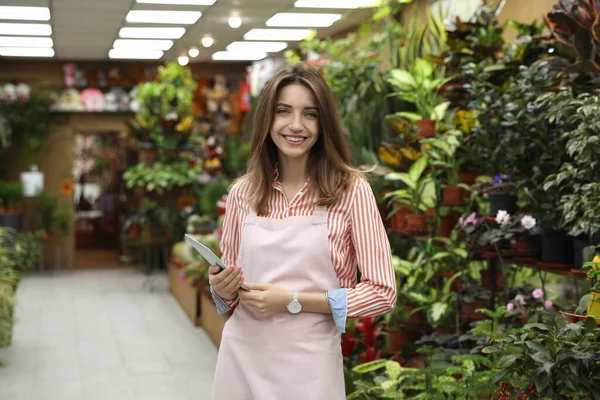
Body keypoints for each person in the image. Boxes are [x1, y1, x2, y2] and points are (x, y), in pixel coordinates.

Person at [208, 62, 396, 400]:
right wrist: (221, 288)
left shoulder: (351, 191)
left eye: (310, 114)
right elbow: (232, 293)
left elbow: (383, 292)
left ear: (324, 123)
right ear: (267, 119)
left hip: (309, 366)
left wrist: (293, 301)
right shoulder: (242, 193)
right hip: (242, 357)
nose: (296, 125)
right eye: (284, 112)